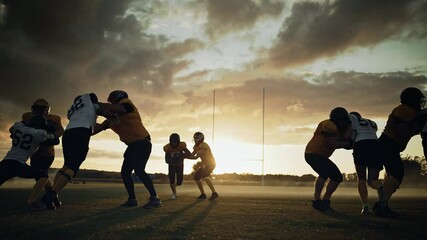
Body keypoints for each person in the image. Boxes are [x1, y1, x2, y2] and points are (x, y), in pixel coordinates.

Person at [41, 93, 111, 210]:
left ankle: (53, 195)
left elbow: (90, 125)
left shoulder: (73, 110)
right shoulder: (90, 103)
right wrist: (113, 115)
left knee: (66, 165)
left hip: (68, 133)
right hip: (81, 132)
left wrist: (101, 126)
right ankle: (51, 195)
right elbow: (103, 112)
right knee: (73, 166)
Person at [93, 90, 161, 209]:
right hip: (133, 145)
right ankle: (132, 199)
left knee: (139, 170)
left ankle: (155, 198)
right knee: (125, 172)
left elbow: (120, 108)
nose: (111, 104)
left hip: (142, 142)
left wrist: (96, 104)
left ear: (117, 99)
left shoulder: (127, 105)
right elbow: (98, 128)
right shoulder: (113, 118)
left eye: (112, 101)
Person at [375, 87, 425, 217]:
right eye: (418, 100)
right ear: (412, 100)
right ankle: (382, 206)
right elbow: (404, 131)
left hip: (389, 146)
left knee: (393, 175)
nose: (420, 103)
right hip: (388, 145)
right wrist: (419, 124)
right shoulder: (404, 110)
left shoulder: (407, 111)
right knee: (397, 174)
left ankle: (381, 205)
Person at [0, 115, 56, 207]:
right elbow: (53, 138)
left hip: (6, 161)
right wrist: (50, 130)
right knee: (43, 176)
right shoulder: (39, 133)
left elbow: (11, 130)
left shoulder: (19, 126)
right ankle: (30, 201)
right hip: (19, 165)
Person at [305, 107, 353, 211]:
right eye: (341, 121)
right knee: (333, 175)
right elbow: (333, 143)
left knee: (330, 175)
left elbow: (345, 140)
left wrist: (350, 139)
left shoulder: (338, 128)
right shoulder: (327, 125)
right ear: (336, 120)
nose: (343, 123)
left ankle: (320, 201)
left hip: (319, 155)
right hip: (313, 154)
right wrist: (350, 143)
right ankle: (321, 201)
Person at [22, 98, 64, 207]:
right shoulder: (27, 116)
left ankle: (33, 201)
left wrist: (51, 135)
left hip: (47, 152)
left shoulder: (54, 118)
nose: (39, 110)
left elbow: (60, 131)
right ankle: (53, 198)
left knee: (42, 175)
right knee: (42, 176)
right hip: (34, 152)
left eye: (42, 108)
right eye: (37, 108)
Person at [348, 112, 383, 215]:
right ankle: (380, 187)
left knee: (361, 179)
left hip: (361, 144)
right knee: (373, 180)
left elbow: (349, 133)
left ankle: (365, 206)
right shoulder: (371, 122)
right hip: (376, 145)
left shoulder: (351, 118)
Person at [185, 132, 219, 200]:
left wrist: (184, 157)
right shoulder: (195, 146)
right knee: (197, 177)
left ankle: (214, 193)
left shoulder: (204, 145)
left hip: (211, 163)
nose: (195, 139)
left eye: (197, 138)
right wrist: (184, 154)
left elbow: (195, 157)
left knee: (205, 176)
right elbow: (192, 155)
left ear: (201, 138)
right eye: (194, 138)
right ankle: (203, 194)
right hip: (205, 164)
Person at [163, 133, 191, 200]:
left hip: (180, 165)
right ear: (170, 141)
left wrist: (181, 156)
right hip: (172, 166)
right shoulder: (168, 148)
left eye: (176, 142)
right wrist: (173, 160)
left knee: (179, 182)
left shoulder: (182, 146)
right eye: (173, 142)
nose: (174, 143)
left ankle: (173, 187)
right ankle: (174, 193)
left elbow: (189, 153)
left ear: (178, 141)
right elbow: (166, 160)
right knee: (172, 180)